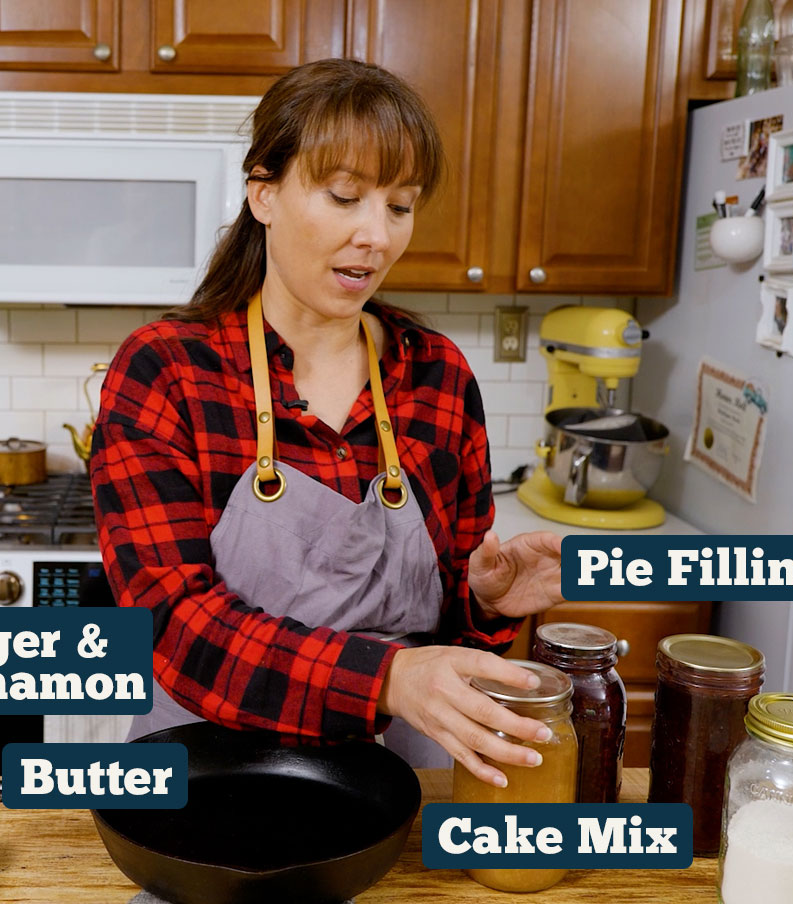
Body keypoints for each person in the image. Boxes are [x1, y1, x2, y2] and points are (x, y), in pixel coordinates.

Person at [90, 58, 564, 788]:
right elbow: (172, 628)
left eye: (400, 206)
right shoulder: (169, 372)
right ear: (264, 195)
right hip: (205, 788)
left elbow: (455, 644)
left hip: (401, 788)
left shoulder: (437, 376)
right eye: (345, 197)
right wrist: (386, 680)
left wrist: (487, 603)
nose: (376, 235)